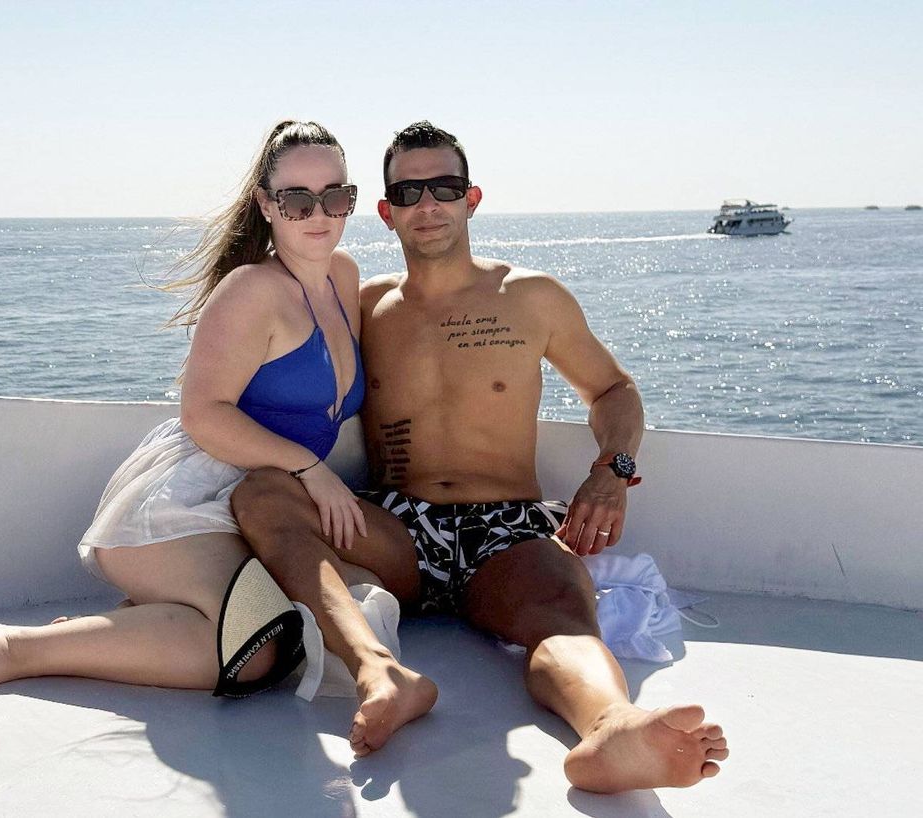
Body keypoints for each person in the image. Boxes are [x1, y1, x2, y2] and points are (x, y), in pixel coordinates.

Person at [230, 121, 729, 791]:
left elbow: (613, 389)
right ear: (384, 211)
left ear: (472, 199)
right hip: (397, 527)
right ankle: (379, 671)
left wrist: (610, 472)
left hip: (505, 530)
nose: (428, 204)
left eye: (445, 187)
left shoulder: (529, 297)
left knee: (558, 608)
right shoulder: (362, 304)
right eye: (408, 190)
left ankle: (611, 728)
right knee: (262, 493)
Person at [0, 121, 437, 724]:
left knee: (373, 587)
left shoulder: (342, 276)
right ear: (267, 205)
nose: (318, 213)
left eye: (335, 196)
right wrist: (311, 470)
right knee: (256, 649)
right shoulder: (251, 290)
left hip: (266, 502)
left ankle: (133, 622)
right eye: (297, 199)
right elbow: (202, 413)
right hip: (191, 499)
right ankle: (16, 649)